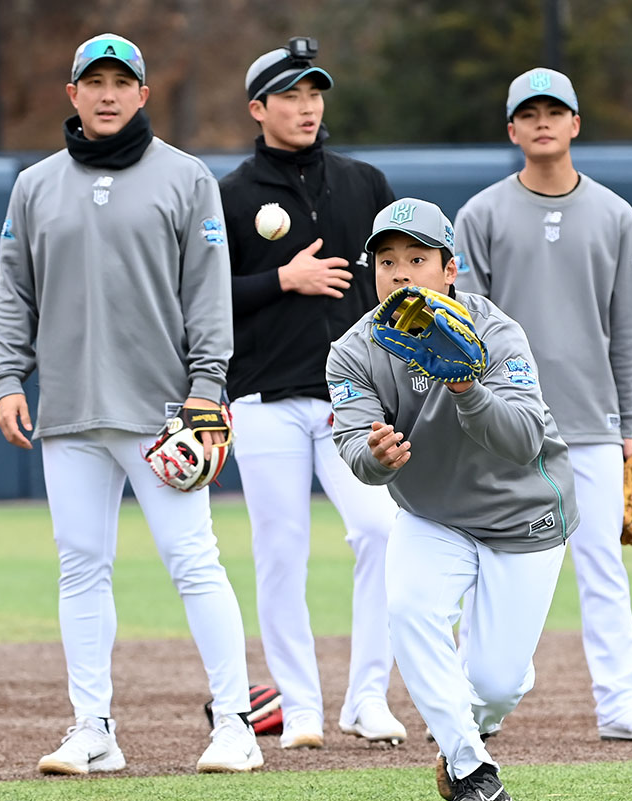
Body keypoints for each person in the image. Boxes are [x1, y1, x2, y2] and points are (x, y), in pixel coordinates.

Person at [0, 33, 262, 776]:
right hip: (71, 412)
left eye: (122, 82)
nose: (107, 94)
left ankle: (235, 722)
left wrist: (208, 387)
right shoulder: (36, 184)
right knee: (80, 567)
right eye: (93, 81)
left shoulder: (185, 177)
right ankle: (93, 727)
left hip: (164, 414)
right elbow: (15, 289)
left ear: (144, 94)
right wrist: (8, 378)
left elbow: (207, 292)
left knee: (193, 562)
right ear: (71, 94)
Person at [326, 198, 579, 801]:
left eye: (418, 259)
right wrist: (376, 458)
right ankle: (474, 773)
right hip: (431, 513)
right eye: (387, 261)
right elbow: (356, 445)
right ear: (372, 273)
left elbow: (523, 441)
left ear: (449, 270)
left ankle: (471, 727)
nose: (402, 273)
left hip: (525, 517)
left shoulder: (496, 333)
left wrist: (467, 387)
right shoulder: (352, 351)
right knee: (409, 613)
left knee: (496, 681)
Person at [452, 68, 632, 743]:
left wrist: (628, 424)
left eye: (556, 110)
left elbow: (626, 328)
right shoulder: (481, 214)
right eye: (530, 112)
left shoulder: (614, 214)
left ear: (575, 124)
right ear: (512, 129)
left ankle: (618, 703)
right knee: (490, 563)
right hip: (504, 425)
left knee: (602, 562)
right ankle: (476, 699)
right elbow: (467, 329)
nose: (543, 121)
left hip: (592, 421)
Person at [217, 37, 404, 749]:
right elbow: (198, 299)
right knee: (281, 550)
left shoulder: (363, 183)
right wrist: (280, 281)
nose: (306, 107)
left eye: (314, 93)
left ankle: (367, 696)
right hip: (265, 398)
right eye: (290, 95)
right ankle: (300, 707)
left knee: (382, 530)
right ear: (257, 108)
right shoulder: (230, 195)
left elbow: (403, 278)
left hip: (352, 397)